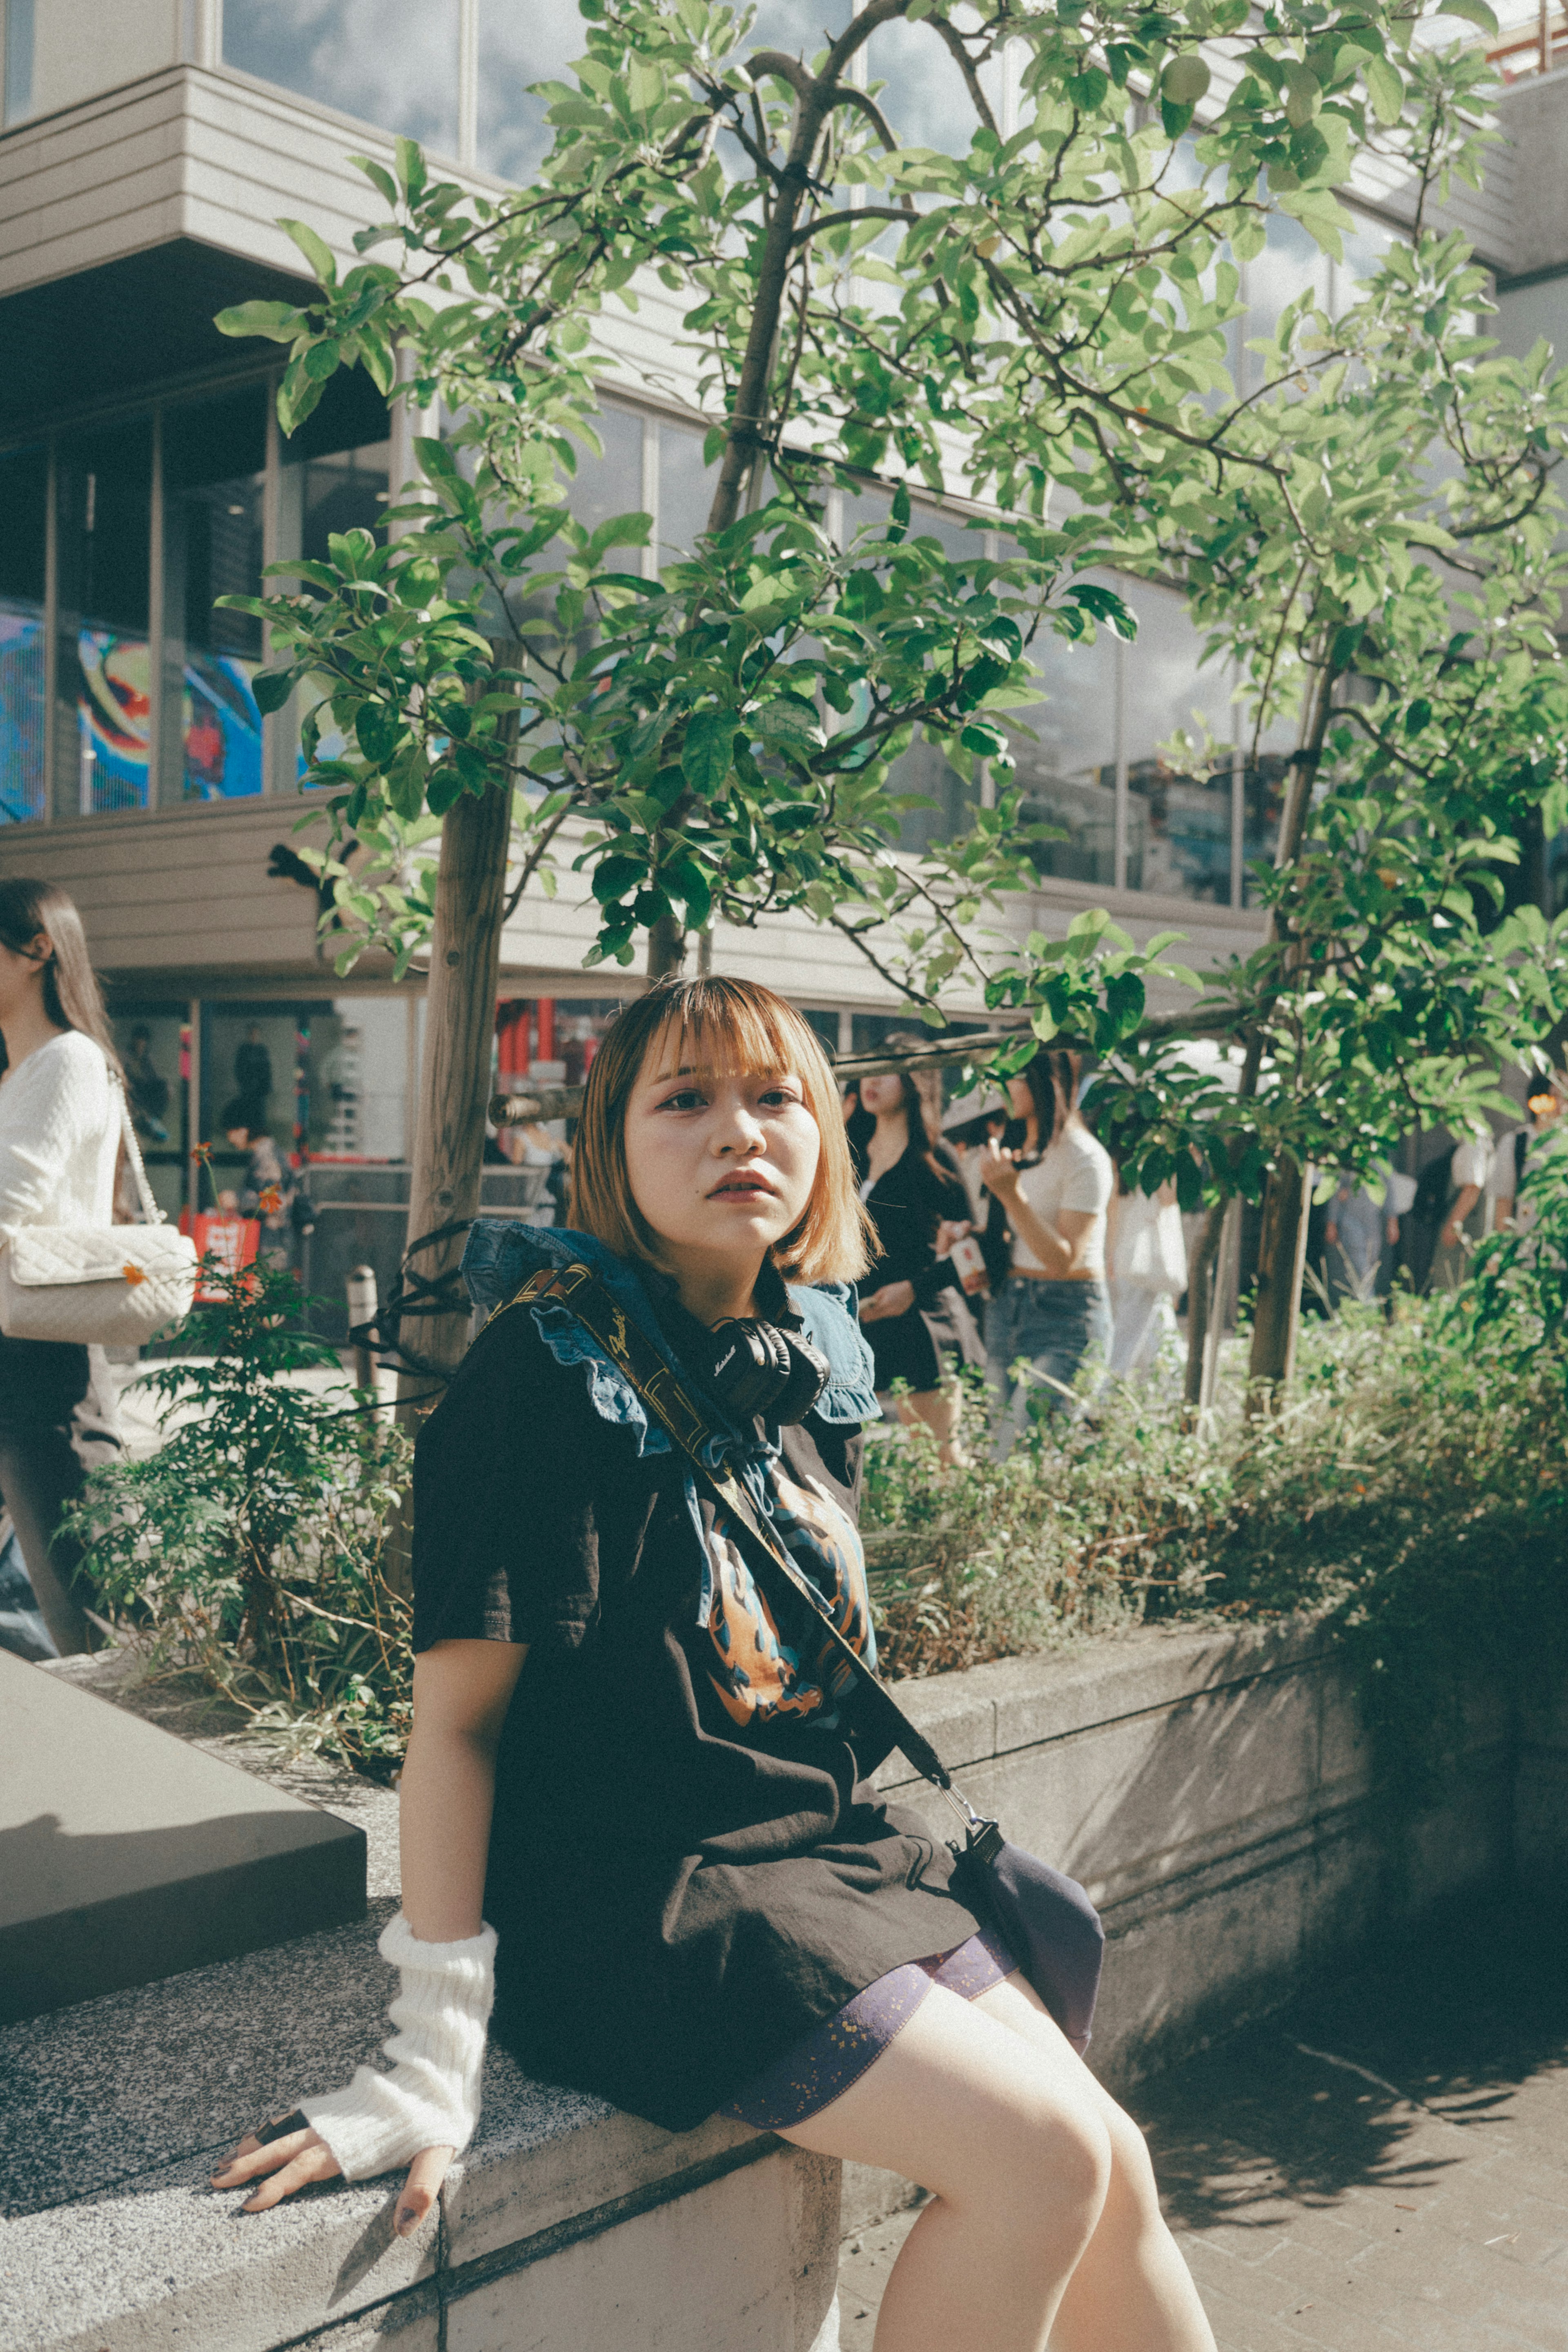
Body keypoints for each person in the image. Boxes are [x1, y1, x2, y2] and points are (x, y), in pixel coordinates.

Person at [209, 975, 1217, 2352]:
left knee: (1114, 2158)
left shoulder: (807, 1361)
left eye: (775, 1094)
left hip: (830, 1856)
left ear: (826, 1140)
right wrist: (433, 2051)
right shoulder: (549, 1374)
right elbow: (454, 1726)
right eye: (683, 1097)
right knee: (1043, 2158)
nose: (737, 1127)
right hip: (653, 1893)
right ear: (610, 1145)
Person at [0, 878, 125, 1656]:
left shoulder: (69, 1061)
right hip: (17, 1355)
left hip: (43, 1369)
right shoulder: (21, 1075)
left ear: (36, 947)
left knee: (90, 1628)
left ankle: (127, 1772)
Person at [980, 1052, 1114, 1454]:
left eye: (1014, 1076)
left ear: (1046, 1081)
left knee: (1018, 1452)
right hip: (1009, 1305)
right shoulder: (1020, 1148)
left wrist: (1010, 1195)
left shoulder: (1084, 1156)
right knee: (998, 1449)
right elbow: (1023, 1236)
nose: (1002, 1087)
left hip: (1067, 1315)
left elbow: (1063, 1259)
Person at [854, 1057, 979, 1463]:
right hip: (859, 1316)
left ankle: (964, 1528)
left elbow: (975, 1250)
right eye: (868, 1067)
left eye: (886, 1068)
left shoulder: (934, 1154)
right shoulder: (848, 1148)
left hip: (922, 1319)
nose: (872, 1077)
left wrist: (913, 1288)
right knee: (849, 1456)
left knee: (940, 1459)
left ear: (914, 1081)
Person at [1106, 1174, 1187, 1381]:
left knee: (1158, 1328)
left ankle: (1171, 1390)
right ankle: (1105, 1393)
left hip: (1126, 1257)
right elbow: (1170, 1197)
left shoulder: (1120, 1161)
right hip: (1143, 1261)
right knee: (1129, 1334)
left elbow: (1112, 1208)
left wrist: (1110, 1251)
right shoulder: (1154, 1162)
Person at [222, 1102, 295, 1272]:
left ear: (244, 1130)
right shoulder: (268, 1152)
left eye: (230, 1132)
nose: (230, 1139)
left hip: (272, 1248)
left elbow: (277, 1203)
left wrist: (238, 1200)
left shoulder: (266, 1156)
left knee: (262, 1296)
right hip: (273, 1246)